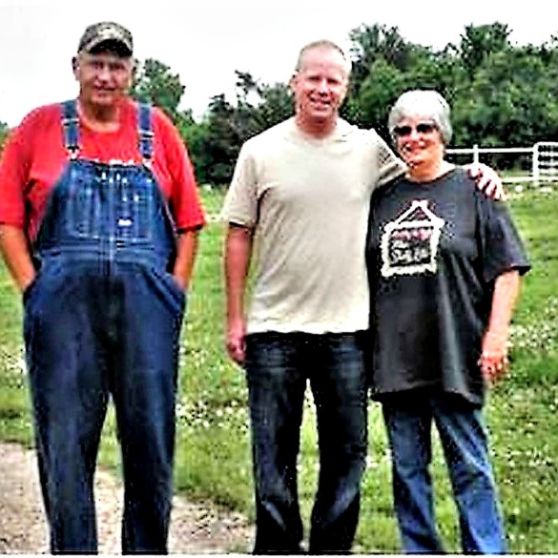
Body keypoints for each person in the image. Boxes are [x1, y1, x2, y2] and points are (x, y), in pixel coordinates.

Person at [222, 41, 502, 554]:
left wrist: (473, 173)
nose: (323, 89)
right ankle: (278, 547)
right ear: (294, 82)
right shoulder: (259, 151)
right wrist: (235, 316)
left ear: (345, 88)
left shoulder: (369, 148)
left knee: (346, 455)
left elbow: (426, 170)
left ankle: (332, 547)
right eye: (314, 79)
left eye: (334, 81)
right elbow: (239, 234)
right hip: (273, 329)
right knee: (272, 455)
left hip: (348, 330)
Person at [0, 21, 205, 553]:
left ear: (132, 72)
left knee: (150, 445)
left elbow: (188, 222)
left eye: (117, 65)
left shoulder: (157, 129)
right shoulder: (38, 128)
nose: (106, 75)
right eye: (97, 63)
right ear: (76, 67)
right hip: (63, 311)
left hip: (148, 312)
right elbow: (8, 219)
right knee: (65, 444)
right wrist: (34, 289)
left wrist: (173, 294)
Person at [366, 90, 530, 554]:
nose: (414, 138)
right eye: (403, 129)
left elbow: (507, 269)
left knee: (470, 467)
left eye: (425, 128)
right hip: (396, 357)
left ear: (443, 133)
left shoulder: (475, 189)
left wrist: (495, 336)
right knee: (408, 470)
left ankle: (485, 549)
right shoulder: (381, 197)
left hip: (456, 351)